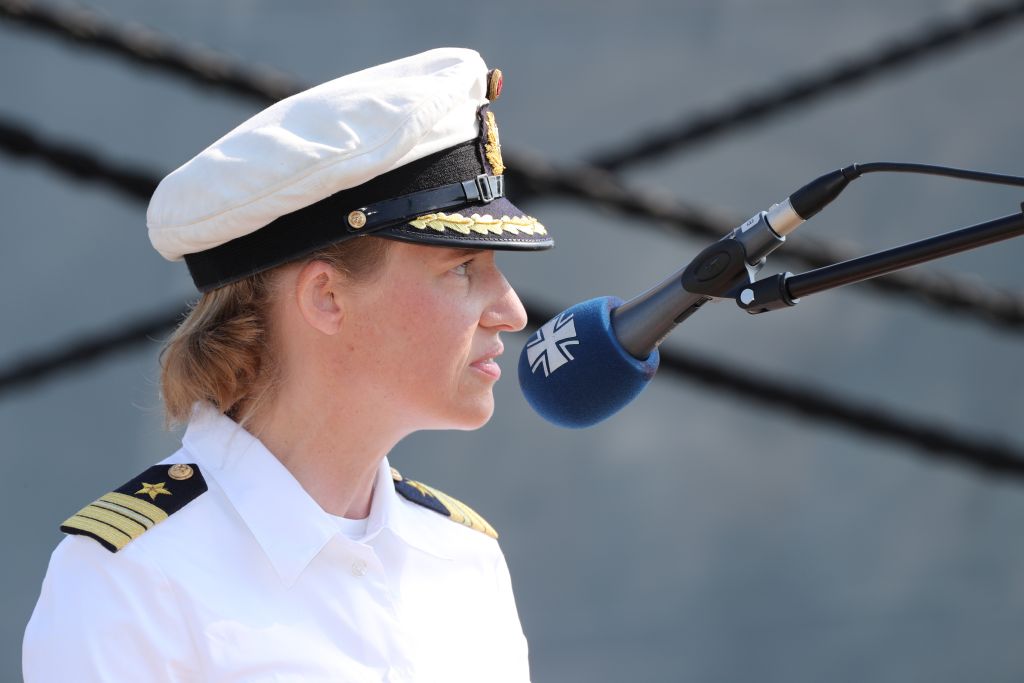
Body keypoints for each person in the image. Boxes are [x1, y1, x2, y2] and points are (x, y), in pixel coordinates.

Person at [23, 48, 552, 682]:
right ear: (326, 298)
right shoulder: (132, 579)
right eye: (462, 268)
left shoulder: (465, 560)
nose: (513, 312)